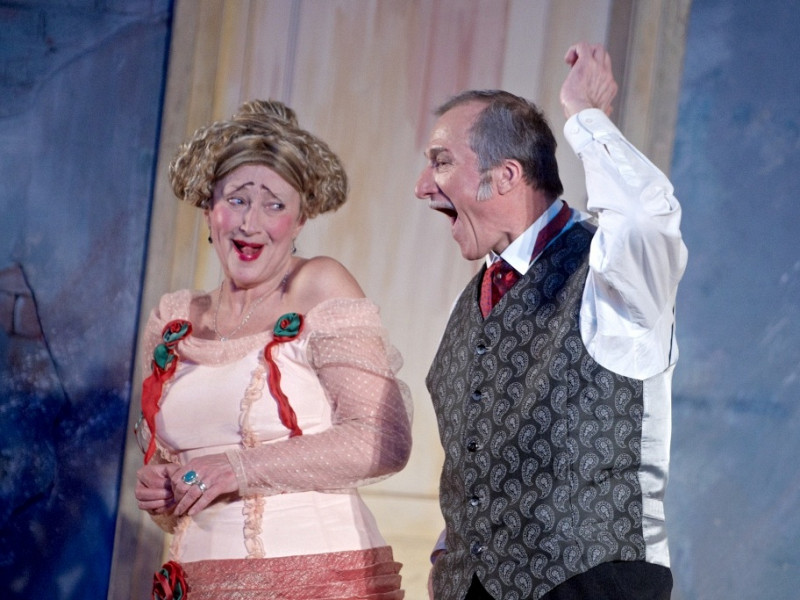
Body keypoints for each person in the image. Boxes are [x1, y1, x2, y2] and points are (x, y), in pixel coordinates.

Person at [415, 42, 688, 600]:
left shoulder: (611, 278)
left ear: (506, 174)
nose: (423, 186)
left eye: (441, 162)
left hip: (593, 583)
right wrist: (451, 552)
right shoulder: (474, 300)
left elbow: (645, 218)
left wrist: (584, 115)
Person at [133, 99, 413, 600]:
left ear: (300, 220)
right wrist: (162, 490)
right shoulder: (174, 318)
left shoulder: (318, 285)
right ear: (209, 210)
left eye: (275, 205)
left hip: (313, 580)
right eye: (237, 199)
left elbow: (381, 439)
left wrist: (236, 468)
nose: (251, 223)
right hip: (198, 582)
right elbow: (177, 473)